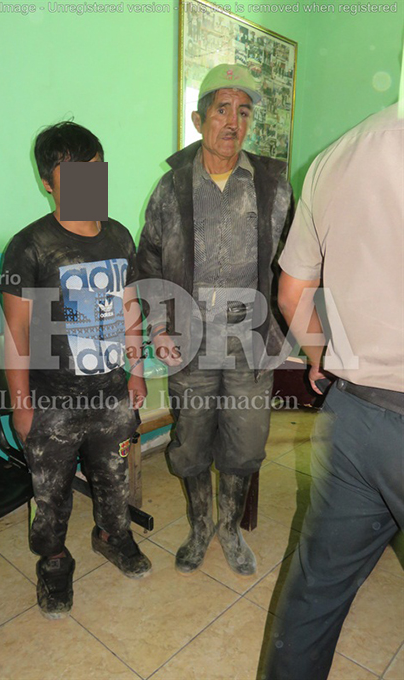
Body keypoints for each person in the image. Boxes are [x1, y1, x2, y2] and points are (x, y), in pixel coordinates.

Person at [262, 104, 404, 679]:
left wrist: (321, 354)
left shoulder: (336, 157)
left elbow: (291, 290)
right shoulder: (176, 187)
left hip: (354, 418)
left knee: (315, 593)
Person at [137, 64, 293, 576]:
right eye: (222, 109)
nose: (233, 122)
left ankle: (229, 528)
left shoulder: (272, 184)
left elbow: (293, 260)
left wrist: (288, 328)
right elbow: (148, 261)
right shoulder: (172, 187)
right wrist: (158, 328)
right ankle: (200, 525)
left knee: (245, 442)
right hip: (191, 341)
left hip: (250, 341)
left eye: (243, 112)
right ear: (198, 119)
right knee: (191, 442)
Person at [0, 121, 151, 620]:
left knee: (114, 479)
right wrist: (22, 406)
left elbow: (129, 308)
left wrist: (135, 371)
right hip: (52, 402)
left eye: (96, 170)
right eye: (75, 174)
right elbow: (16, 334)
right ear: (48, 182)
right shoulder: (30, 247)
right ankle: (54, 561)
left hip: (111, 394)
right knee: (51, 495)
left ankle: (112, 535)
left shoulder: (118, 235)